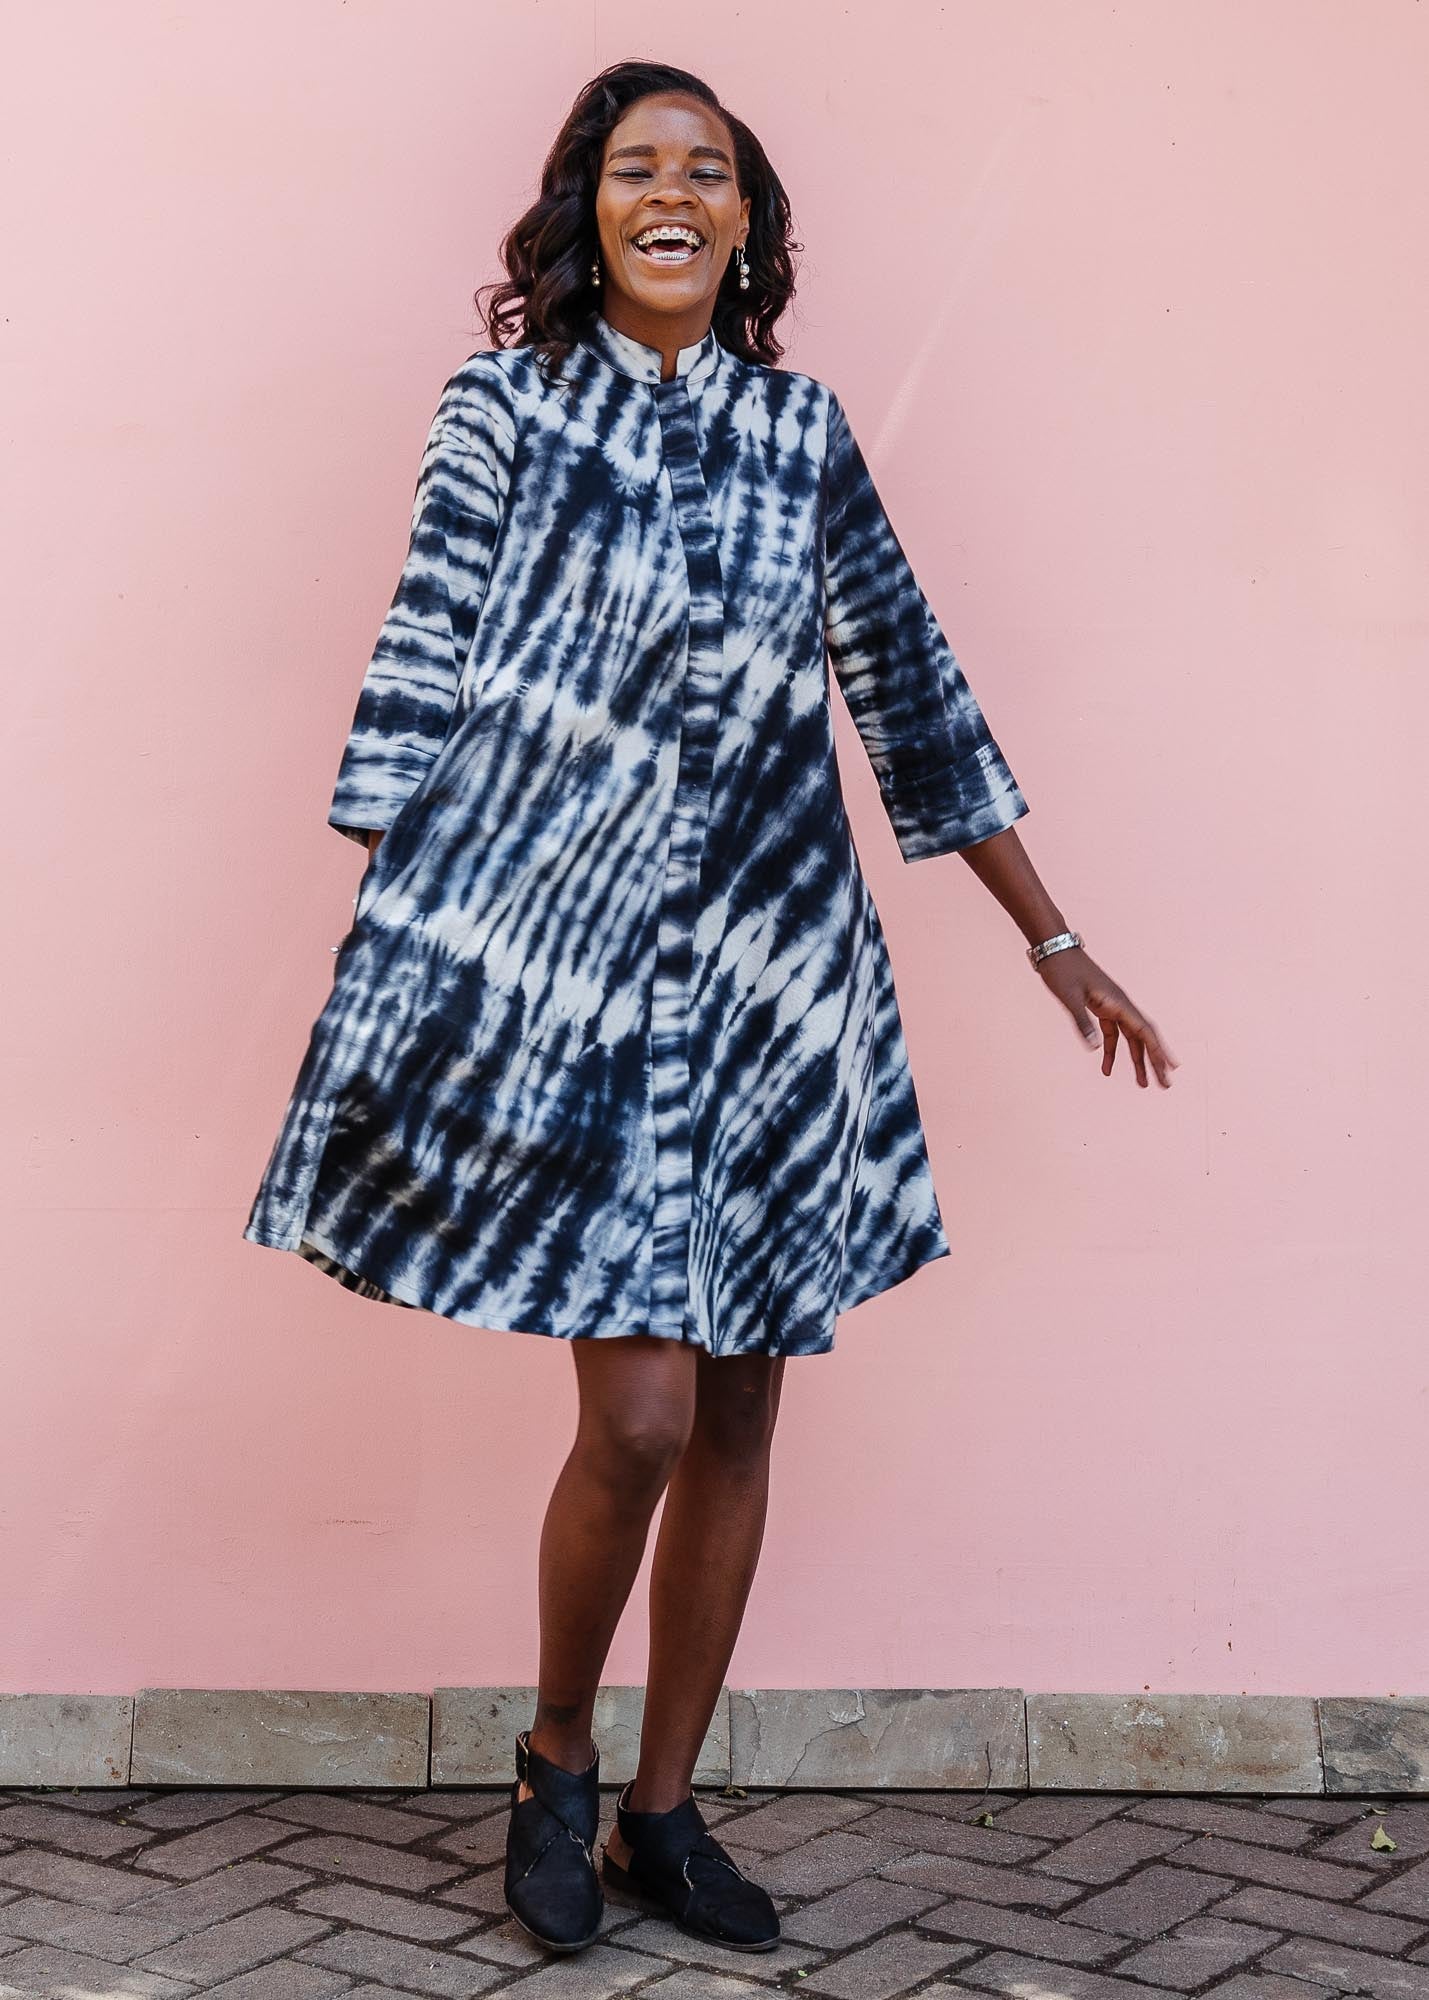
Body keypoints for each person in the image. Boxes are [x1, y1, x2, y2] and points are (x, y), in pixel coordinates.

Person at [243, 58, 1177, 1957]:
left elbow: (903, 677)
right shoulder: (501, 405)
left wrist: (1047, 931)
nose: (670, 194)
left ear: (747, 222)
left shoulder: (799, 426)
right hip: (566, 968)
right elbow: (423, 638)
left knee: (743, 1407)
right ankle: (554, 1764)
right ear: (586, 207)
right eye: (633, 167)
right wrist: (397, 928)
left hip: (772, 971)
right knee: (645, 1414)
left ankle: (664, 1817)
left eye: (708, 172)